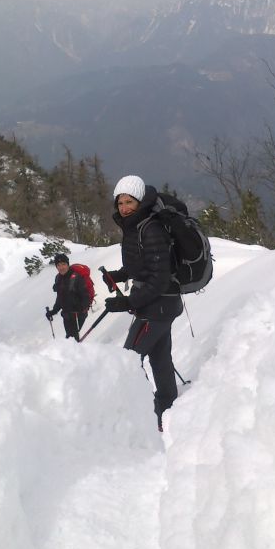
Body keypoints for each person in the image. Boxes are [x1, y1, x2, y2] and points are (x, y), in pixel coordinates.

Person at [102, 175, 183, 432]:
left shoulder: (151, 229)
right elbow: (143, 266)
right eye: (120, 202)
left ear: (140, 201)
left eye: (129, 201)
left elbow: (158, 278)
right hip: (160, 306)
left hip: (157, 307)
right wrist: (119, 275)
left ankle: (138, 415)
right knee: (160, 358)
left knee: (128, 360)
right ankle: (167, 412)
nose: (124, 207)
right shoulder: (137, 227)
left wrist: (128, 301)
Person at [45, 253, 90, 341]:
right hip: (67, 314)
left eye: (63, 264)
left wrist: (81, 308)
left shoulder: (76, 277)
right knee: (71, 339)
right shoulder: (58, 278)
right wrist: (53, 311)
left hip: (78, 315)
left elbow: (85, 296)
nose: (61, 267)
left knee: (71, 338)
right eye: (58, 265)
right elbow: (60, 298)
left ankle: (76, 353)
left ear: (68, 264)